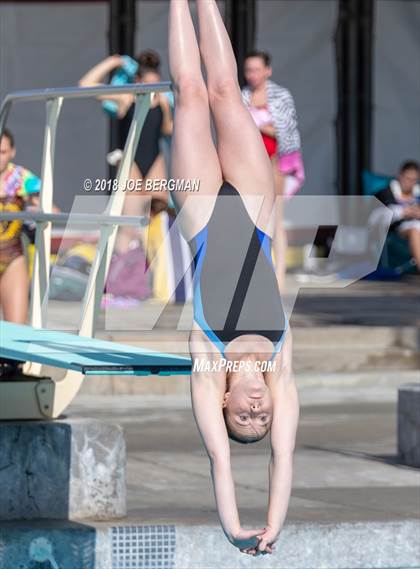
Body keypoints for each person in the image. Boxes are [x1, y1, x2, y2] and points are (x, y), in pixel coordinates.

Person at [168, 0, 299, 556]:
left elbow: (220, 458)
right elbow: (284, 457)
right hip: (253, 206)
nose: (255, 413)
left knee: (190, 93)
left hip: (200, 212)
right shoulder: (280, 368)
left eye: (243, 419)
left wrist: (232, 528)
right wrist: (273, 524)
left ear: (225, 408)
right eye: (260, 419)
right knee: (225, 88)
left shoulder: (208, 365)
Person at [79, 50, 173, 253]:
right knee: (130, 224)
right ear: (137, 81)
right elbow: (85, 85)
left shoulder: (162, 100)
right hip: (131, 162)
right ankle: (120, 269)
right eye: (147, 85)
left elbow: (167, 130)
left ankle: (157, 274)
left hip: (154, 160)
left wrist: (167, 108)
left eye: (155, 86)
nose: (151, 91)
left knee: (158, 220)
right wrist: (113, 62)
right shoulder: (126, 98)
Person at [242, 51, 305, 288]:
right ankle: (257, 273)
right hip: (250, 161)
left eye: (257, 70)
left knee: (276, 217)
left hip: (274, 159)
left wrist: (257, 121)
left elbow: (286, 132)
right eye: (249, 70)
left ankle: (278, 276)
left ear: (267, 70)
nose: (253, 75)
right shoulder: (242, 96)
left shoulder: (281, 96)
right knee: (254, 217)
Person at [375, 161, 420, 270]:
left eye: (414, 180)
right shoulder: (385, 193)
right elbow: (378, 218)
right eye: (408, 178)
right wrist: (404, 212)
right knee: (414, 230)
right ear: (400, 176)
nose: (410, 183)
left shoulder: (417, 193)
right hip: (397, 231)